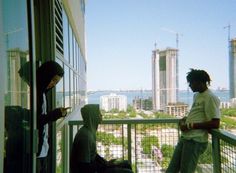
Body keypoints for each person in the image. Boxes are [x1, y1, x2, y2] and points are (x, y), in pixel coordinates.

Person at [166, 69, 221, 173]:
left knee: (186, 171)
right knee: (171, 169)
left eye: (191, 82)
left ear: (199, 82)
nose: (190, 85)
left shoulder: (210, 97)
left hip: (195, 140)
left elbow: (215, 123)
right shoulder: (197, 96)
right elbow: (199, 114)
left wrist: (189, 125)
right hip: (186, 138)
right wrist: (186, 120)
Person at [70, 104, 133, 173]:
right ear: (93, 116)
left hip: (96, 167)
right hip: (93, 170)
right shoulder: (86, 137)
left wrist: (106, 163)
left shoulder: (89, 131)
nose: (101, 115)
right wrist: (104, 166)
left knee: (126, 164)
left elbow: (93, 155)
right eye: (98, 113)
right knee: (128, 171)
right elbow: (84, 166)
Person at [35, 61, 69, 173]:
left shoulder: (43, 93)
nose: (54, 84)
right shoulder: (36, 94)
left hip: (43, 150)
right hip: (36, 152)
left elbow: (42, 119)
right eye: (53, 80)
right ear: (45, 75)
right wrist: (56, 114)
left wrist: (56, 114)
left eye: (56, 82)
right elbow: (36, 121)